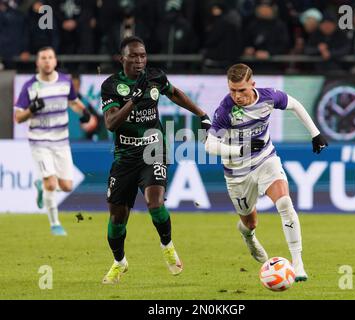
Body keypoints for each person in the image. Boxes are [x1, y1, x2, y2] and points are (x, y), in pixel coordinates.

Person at [100, 36, 211, 284]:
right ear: (122, 59)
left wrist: (202, 114)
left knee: (154, 201)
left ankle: (167, 245)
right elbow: (110, 123)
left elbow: (175, 94)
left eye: (143, 55)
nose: (140, 60)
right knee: (117, 217)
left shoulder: (155, 77)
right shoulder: (110, 85)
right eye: (134, 56)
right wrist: (133, 100)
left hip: (154, 149)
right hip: (125, 156)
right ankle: (119, 262)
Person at [205, 63, 328, 281]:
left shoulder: (268, 97)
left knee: (285, 204)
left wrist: (315, 133)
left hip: (265, 160)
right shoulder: (225, 110)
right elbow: (209, 145)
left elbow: (295, 105)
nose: (237, 96)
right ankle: (248, 236)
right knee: (249, 222)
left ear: (252, 85)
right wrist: (240, 149)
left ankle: (298, 264)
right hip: (237, 173)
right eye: (232, 90)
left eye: (241, 90)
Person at [14, 46, 91, 236]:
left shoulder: (65, 81)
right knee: (51, 184)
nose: (47, 61)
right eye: (43, 58)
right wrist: (31, 110)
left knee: (66, 186)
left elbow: (72, 101)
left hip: (61, 141)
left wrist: (84, 112)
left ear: (55, 61)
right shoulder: (30, 86)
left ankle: (41, 184)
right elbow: (18, 117)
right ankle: (55, 224)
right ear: (37, 62)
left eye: (50, 57)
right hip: (39, 140)